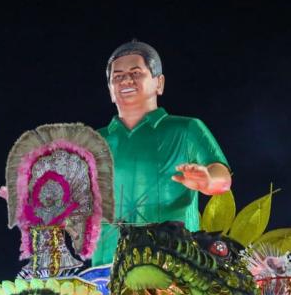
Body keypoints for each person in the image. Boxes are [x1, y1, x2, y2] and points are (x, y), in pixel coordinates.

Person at [91, 40, 232, 266]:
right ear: (110, 89)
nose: (126, 80)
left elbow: (222, 176)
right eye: (117, 76)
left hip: (174, 262)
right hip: (107, 266)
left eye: (136, 73)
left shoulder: (186, 130)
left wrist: (208, 181)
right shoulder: (95, 140)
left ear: (159, 83)